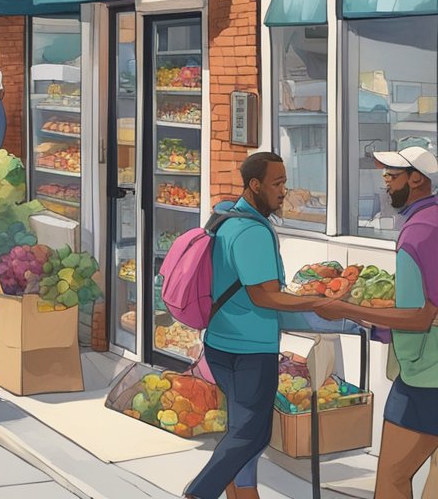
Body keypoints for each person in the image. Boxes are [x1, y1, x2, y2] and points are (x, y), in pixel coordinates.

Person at [184, 152, 333, 499]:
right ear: (255, 185)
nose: (283, 191)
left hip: (221, 343)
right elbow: (265, 297)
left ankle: (243, 492)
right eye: (276, 184)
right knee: (253, 435)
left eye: (285, 182)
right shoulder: (252, 232)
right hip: (250, 349)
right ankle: (198, 493)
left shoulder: (225, 217)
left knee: (240, 431)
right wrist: (319, 302)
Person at [315, 146, 438, 499]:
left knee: (392, 479)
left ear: (417, 179)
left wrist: (349, 310)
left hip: (424, 378)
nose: (385, 185)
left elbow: (418, 318)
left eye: (392, 177)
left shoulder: (416, 234)